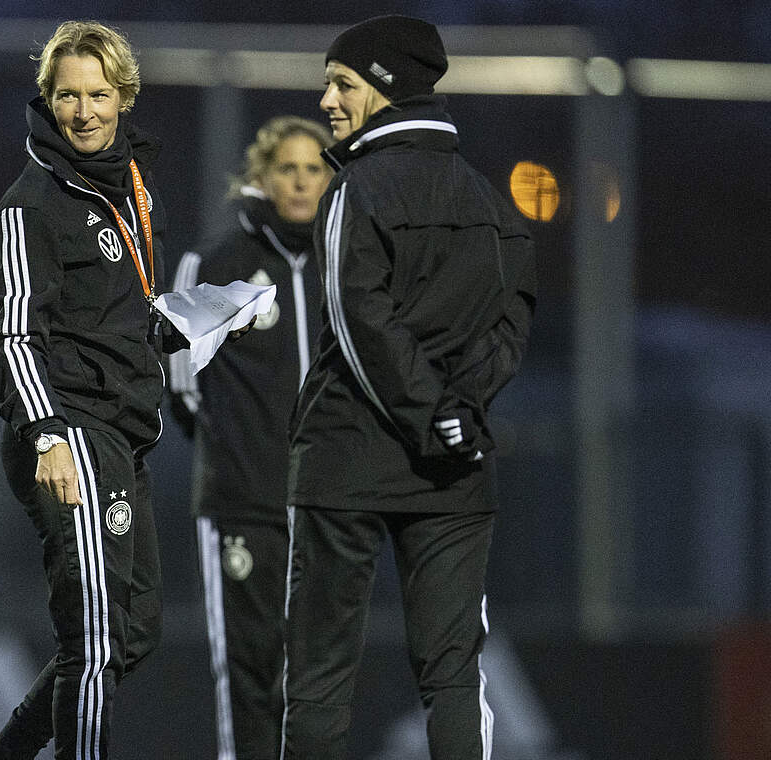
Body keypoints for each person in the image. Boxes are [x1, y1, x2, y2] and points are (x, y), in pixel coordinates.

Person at [282, 15, 537, 759]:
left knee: (321, 674)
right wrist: (457, 415)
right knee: (454, 675)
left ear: (386, 89)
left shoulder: (354, 189)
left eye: (342, 83)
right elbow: (513, 322)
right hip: (456, 466)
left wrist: (429, 414)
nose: (326, 99)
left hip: (346, 461)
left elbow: (361, 322)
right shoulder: (490, 201)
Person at [0, 20, 179, 760]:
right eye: (67, 95)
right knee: (94, 641)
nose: (83, 111)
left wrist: (188, 328)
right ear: (47, 99)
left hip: (120, 436)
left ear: (124, 97)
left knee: (134, 631)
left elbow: (113, 316)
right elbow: (16, 335)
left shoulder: (128, 186)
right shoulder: (32, 204)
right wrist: (48, 434)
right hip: (71, 433)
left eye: (97, 94)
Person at [167, 115, 334, 760]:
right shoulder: (216, 264)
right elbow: (183, 382)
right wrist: (241, 448)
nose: (300, 180)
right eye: (287, 167)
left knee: (319, 671)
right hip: (244, 500)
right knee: (247, 663)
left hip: (329, 503)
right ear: (261, 176)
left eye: (314, 168)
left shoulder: (346, 260)